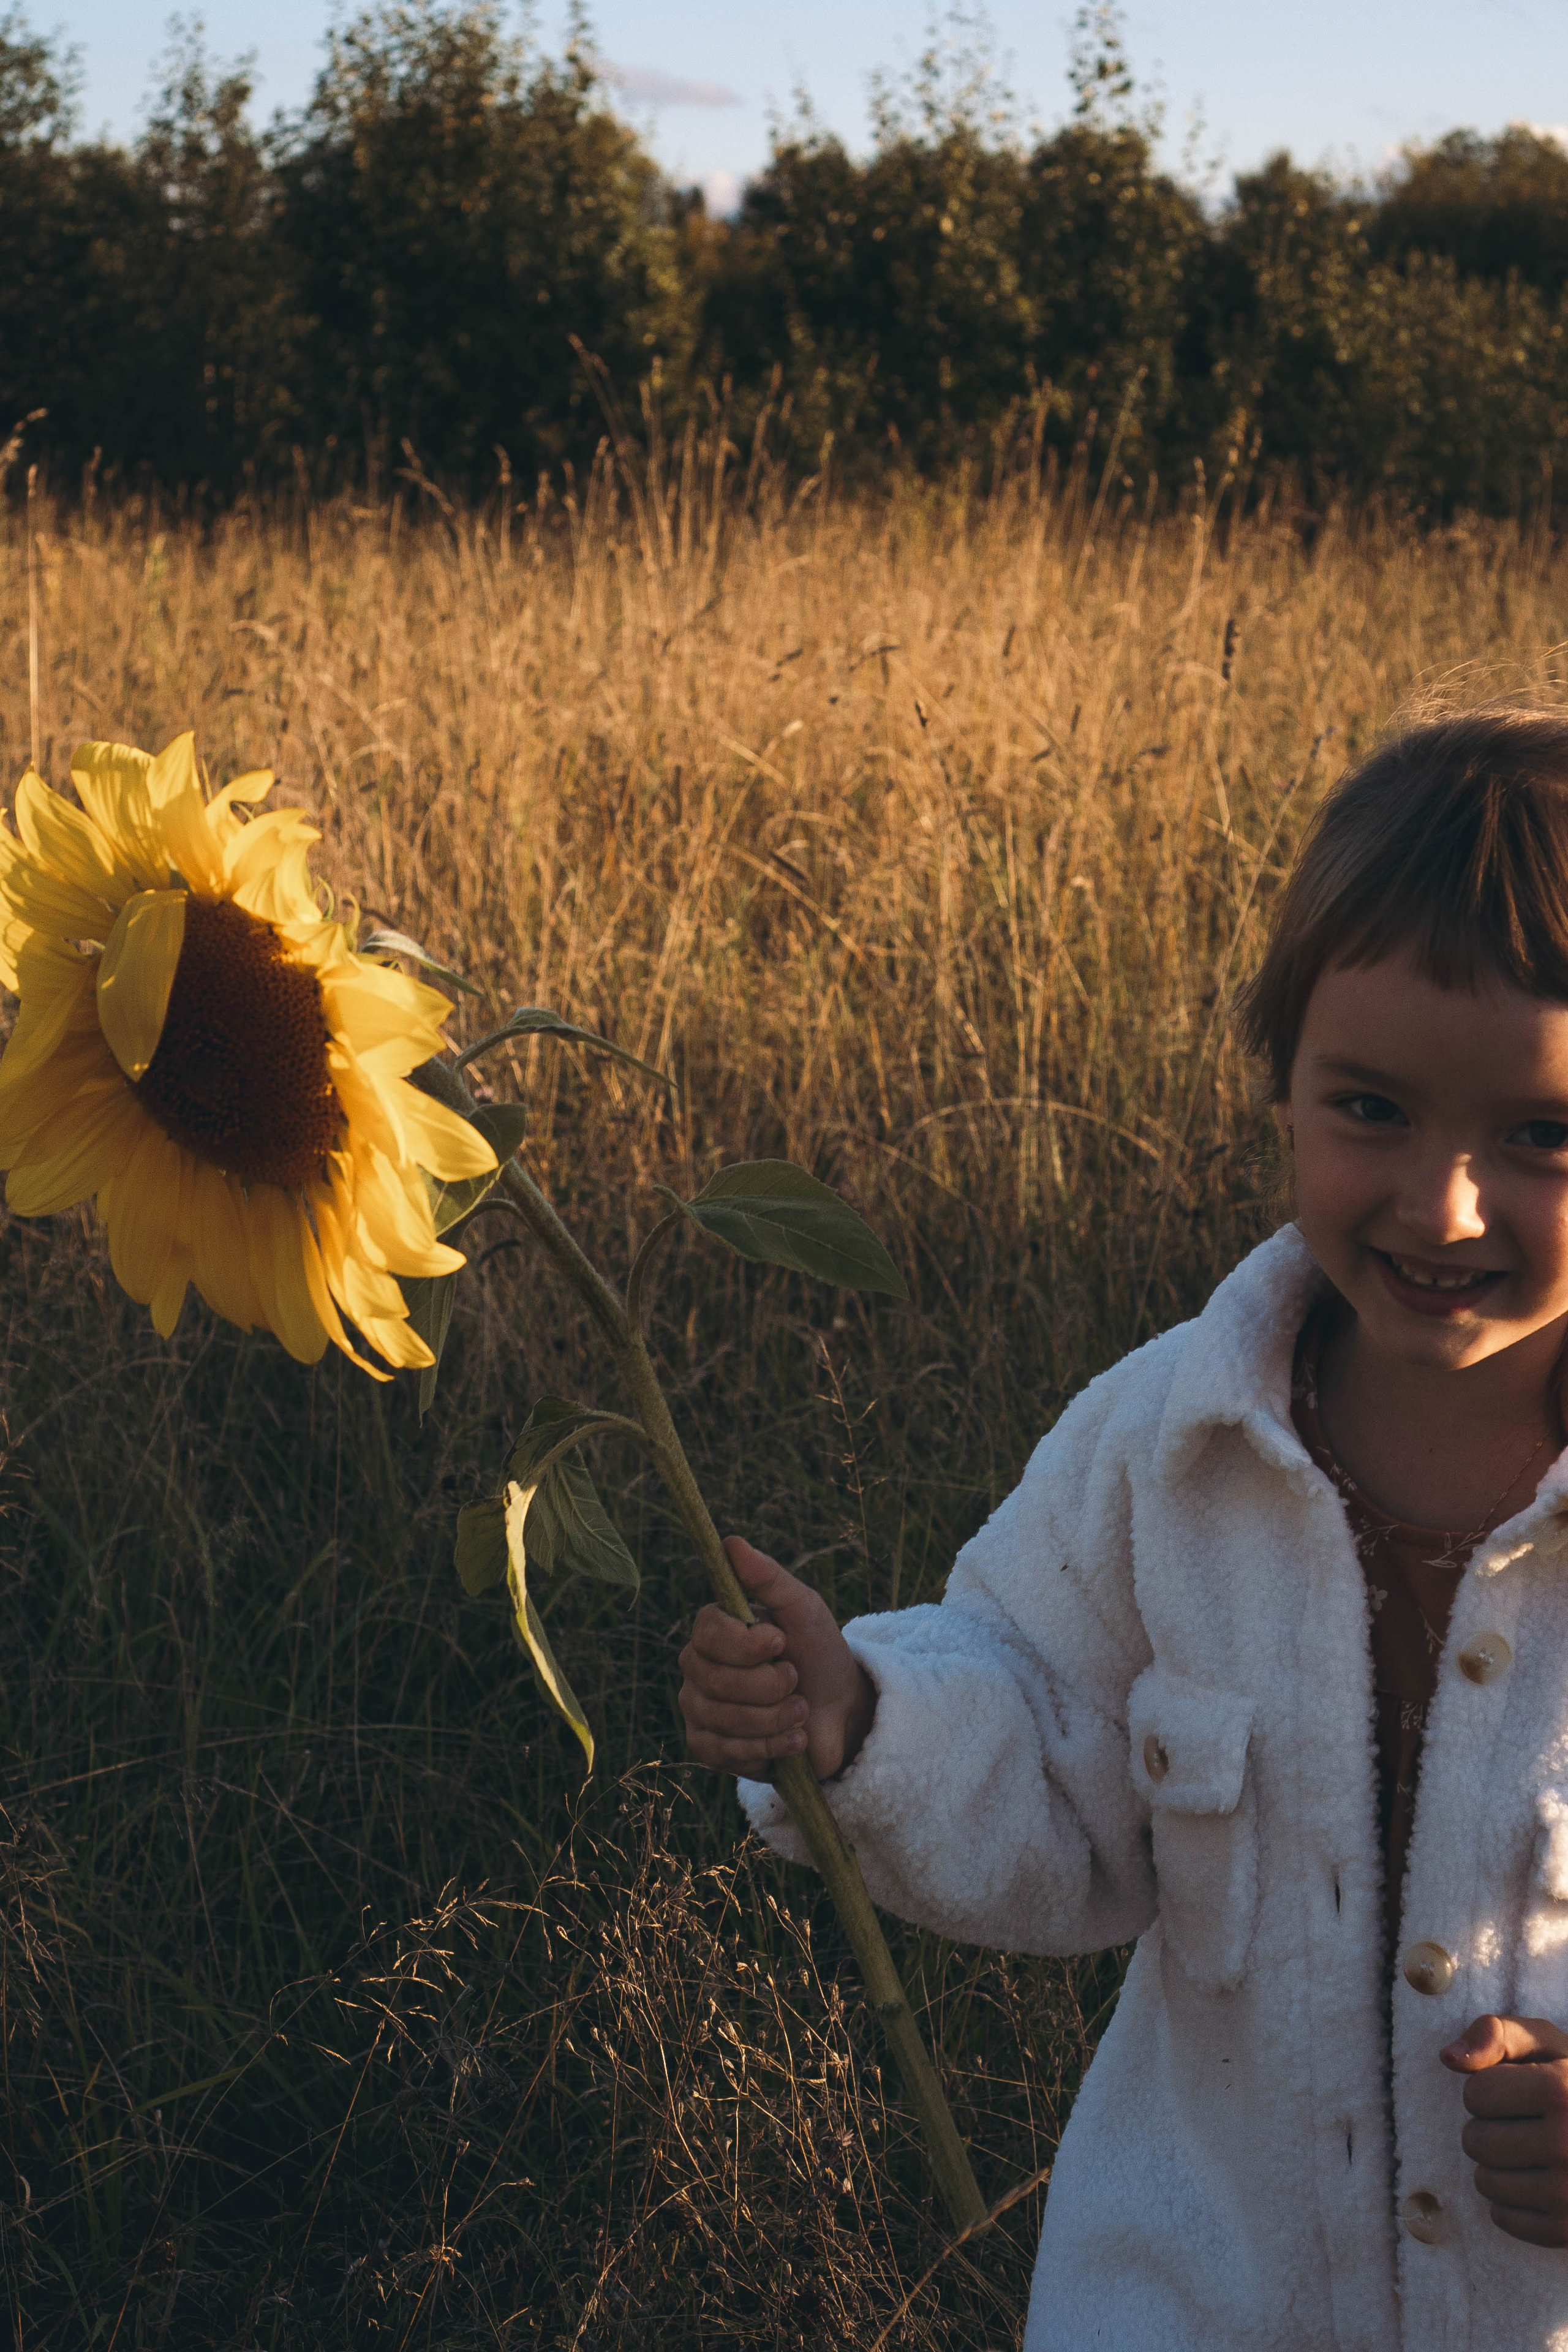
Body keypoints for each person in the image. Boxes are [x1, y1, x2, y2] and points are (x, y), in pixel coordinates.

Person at [678, 708, 1568, 2351]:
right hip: (1191, 2306)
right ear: (1282, 1085)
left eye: (1541, 1135)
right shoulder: (1168, 1449)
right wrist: (861, 1717)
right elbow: (1044, 1730)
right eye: (1371, 1108)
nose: (1443, 1205)